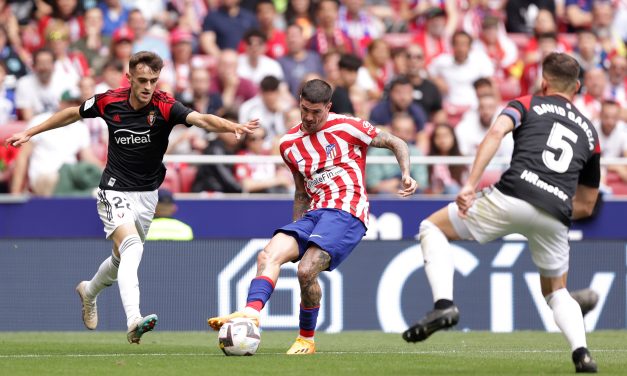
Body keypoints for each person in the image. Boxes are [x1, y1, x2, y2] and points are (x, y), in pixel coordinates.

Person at [6, 51, 258, 344]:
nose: (148, 86)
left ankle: (89, 291)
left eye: (153, 80)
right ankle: (134, 320)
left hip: (147, 195)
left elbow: (201, 119)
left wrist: (232, 126)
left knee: (119, 261)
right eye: (142, 80)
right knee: (132, 246)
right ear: (129, 78)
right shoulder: (109, 101)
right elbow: (72, 113)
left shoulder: (165, 106)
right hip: (113, 188)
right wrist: (32, 131)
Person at [401, 53, 600, 373]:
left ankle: (444, 305)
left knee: (432, 227)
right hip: (556, 212)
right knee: (557, 291)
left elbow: (495, 133)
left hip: (512, 193)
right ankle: (582, 354)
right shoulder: (590, 132)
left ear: (543, 82)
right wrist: (552, 206)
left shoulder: (528, 102)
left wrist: (469, 184)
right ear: (577, 87)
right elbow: (588, 204)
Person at [208, 78, 418, 354]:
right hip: (315, 213)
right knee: (268, 254)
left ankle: (306, 338)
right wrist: (297, 229)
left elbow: (394, 141)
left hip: (348, 210)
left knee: (305, 270)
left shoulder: (349, 126)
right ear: (299, 103)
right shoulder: (289, 144)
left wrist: (405, 173)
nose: (309, 117)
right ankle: (250, 313)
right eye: (305, 109)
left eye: (316, 112)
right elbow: (300, 193)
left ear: (328, 107)